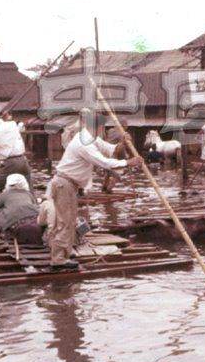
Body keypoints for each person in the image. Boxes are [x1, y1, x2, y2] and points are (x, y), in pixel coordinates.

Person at [46, 110, 143, 270]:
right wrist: (128, 162)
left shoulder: (90, 138)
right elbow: (104, 162)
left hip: (69, 185)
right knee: (65, 222)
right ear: (99, 127)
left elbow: (112, 150)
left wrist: (123, 143)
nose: (104, 132)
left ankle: (65, 253)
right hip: (64, 184)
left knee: (70, 221)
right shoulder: (84, 143)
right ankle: (58, 260)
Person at [0, 173, 41, 243]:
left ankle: (1, 231)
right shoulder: (28, 194)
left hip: (15, 226)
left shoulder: (4, 195)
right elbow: (37, 207)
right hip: (35, 221)